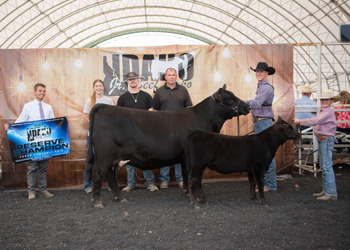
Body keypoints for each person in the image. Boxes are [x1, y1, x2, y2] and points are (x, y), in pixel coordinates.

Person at [4, 83, 59, 200]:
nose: (42, 93)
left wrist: (64, 122)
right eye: (40, 91)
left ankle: (43, 190)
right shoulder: (28, 106)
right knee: (32, 167)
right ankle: (31, 192)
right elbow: (20, 121)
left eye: (44, 91)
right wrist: (10, 126)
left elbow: (53, 123)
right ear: (34, 92)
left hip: (45, 142)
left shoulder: (48, 107)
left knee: (43, 167)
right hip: (32, 142)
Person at [293, 89, 340, 201]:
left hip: (325, 139)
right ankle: (328, 190)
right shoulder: (325, 111)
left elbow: (315, 120)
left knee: (326, 166)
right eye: (322, 99)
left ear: (331, 100)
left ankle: (331, 192)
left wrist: (300, 121)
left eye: (326, 99)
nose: (324, 101)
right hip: (324, 139)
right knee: (324, 166)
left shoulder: (326, 112)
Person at [117, 72, 158, 192]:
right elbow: (119, 117)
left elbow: (151, 114)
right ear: (127, 82)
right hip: (128, 134)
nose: (133, 81)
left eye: (134, 79)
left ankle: (150, 183)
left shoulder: (146, 96)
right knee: (129, 159)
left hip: (144, 133)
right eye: (130, 79)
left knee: (146, 158)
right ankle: (130, 184)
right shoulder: (122, 98)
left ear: (138, 80)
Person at [153, 68, 192, 189]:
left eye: (173, 75)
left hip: (181, 128)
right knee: (164, 153)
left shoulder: (183, 90)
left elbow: (189, 107)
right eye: (169, 75)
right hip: (164, 129)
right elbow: (155, 110)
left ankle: (180, 179)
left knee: (181, 153)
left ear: (176, 77)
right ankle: (164, 180)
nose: (171, 77)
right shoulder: (159, 92)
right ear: (165, 77)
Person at [244, 62, 277, 192]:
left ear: (266, 73)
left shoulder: (265, 88)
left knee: (267, 155)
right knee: (264, 154)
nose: (258, 73)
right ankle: (268, 182)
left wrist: (241, 102)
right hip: (262, 122)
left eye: (261, 71)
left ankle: (270, 184)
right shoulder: (262, 87)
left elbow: (257, 104)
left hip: (263, 123)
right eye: (257, 71)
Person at [83, 79, 114, 193]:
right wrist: (95, 124)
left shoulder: (108, 100)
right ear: (93, 88)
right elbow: (85, 117)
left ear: (103, 87)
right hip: (93, 134)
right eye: (96, 86)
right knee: (91, 159)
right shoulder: (89, 101)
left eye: (100, 86)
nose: (98, 88)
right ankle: (88, 186)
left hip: (106, 135)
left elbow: (113, 117)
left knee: (109, 159)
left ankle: (111, 185)